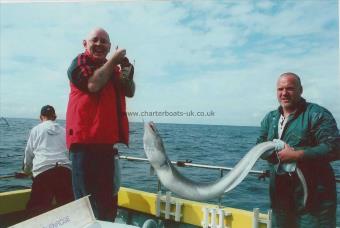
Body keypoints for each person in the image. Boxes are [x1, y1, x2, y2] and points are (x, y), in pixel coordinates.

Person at [66, 27, 135, 221]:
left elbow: (129, 91)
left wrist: (127, 71)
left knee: (107, 207)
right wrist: (114, 60)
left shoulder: (113, 70)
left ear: (109, 46)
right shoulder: (79, 63)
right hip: (84, 149)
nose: (99, 44)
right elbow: (93, 85)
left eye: (104, 41)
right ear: (85, 44)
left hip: (107, 148)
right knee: (86, 209)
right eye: (95, 40)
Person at [257, 72, 339, 228]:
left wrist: (296, 155)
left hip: (314, 202)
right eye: (280, 89)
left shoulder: (317, 114)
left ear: (300, 90)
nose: (284, 93)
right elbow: (260, 144)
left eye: (290, 88)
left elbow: (334, 148)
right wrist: (270, 153)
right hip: (281, 198)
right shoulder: (270, 118)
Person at [20, 105, 74, 217]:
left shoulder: (36, 130)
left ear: (41, 117)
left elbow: (29, 153)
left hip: (43, 173)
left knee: (37, 211)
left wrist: (26, 171)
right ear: (55, 117)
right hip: (65, 171)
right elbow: (70, 153)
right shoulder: (64, 131)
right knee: (68, 209)